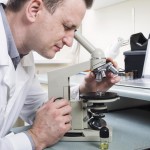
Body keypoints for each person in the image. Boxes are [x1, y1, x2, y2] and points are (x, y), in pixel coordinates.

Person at [0, 0, 120, 149]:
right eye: (67, 27)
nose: (70, 42)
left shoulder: (22, 55)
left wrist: (85, 90)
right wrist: (34, 138)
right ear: (34, 10)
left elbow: (40, 109)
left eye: (74, 31)